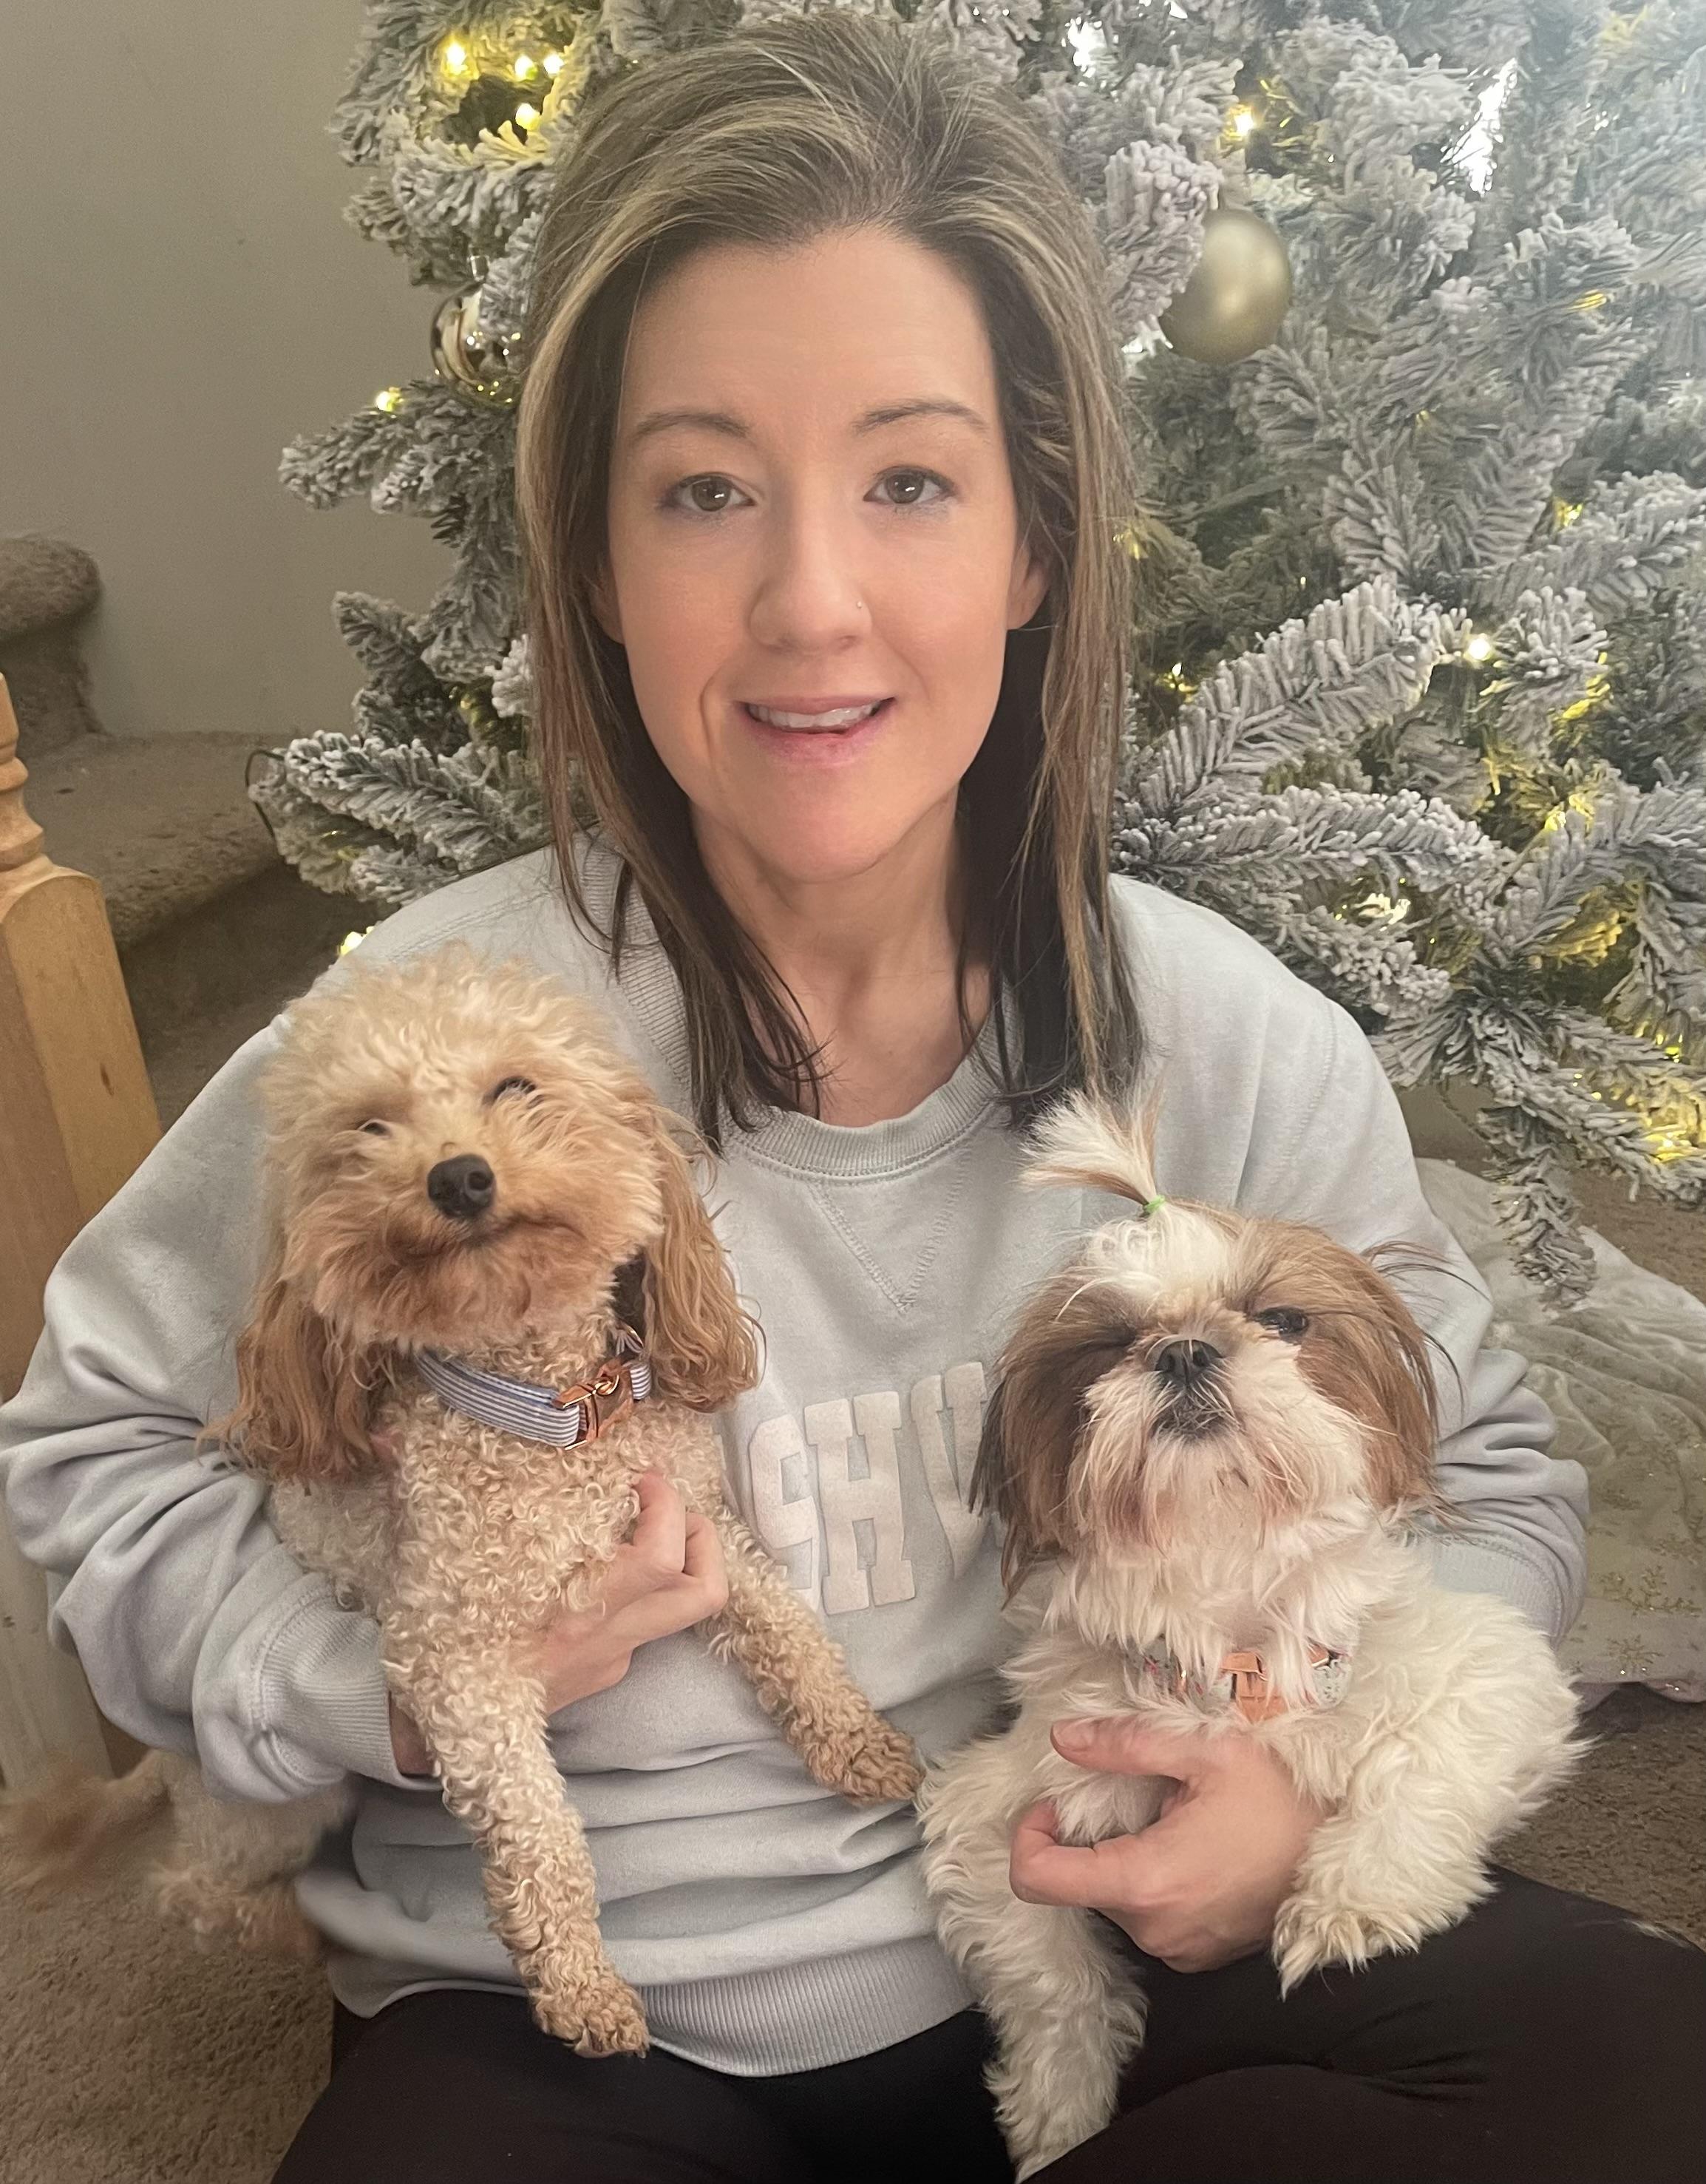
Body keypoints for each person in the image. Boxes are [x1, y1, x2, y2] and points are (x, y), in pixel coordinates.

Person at [3, 15, 1702, 2182]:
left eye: (909, 479)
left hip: (1134, 1920)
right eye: (705, 489)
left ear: (1032, 543)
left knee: (1644, 2074)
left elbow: (1493, 1477)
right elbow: (96, 1440)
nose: (810, 606)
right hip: (577, 2017)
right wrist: (381, 1702)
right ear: (596, 564)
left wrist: (1306, 1798)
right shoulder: (411, 1060)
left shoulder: (1228, 1035)